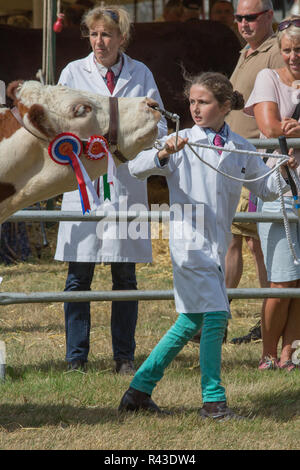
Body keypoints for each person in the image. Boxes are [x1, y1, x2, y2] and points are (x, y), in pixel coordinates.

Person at [118, 72, 297, 419]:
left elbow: (267, 190)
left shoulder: (241, 147)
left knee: (189, 322)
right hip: (189, 245)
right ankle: (213, 402)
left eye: (204, 102)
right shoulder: (181, 140)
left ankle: (138, 391)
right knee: (216, 315)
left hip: (216, 245)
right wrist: (163, 154)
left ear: (225, 106)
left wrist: (286, 171)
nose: (195, 108)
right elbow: (136, 168)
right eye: (192, 102)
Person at [54, 5, 167, 374]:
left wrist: (134, 141)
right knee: (79, 275)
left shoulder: (141, 73)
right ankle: (76, 358)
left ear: (122, 38)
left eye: (106, 35)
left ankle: (123, 357)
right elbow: (58, 124)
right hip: (84, 181)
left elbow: (158, 124)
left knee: (125, 276)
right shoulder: (73, 71)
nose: (99, 42)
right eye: (93, 34)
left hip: (126, 182)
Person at [225, 0, 285, 344]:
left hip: (258, 160)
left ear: (268, 17)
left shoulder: (276, 51)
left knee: (255, 242)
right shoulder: (249, 51)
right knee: (245, 240)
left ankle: (267, 320)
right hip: (241, 158)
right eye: (239, 17)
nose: (243, 23)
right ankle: (254, 317)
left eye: (250, 17)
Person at [244, 15, 300, 370]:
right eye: (288, 50)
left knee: (299, 284)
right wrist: (289, 131)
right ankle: (267, 353)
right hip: (278, 189)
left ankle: (288, 354)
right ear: (279, 51)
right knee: (280, 281)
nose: (294, 56)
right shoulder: (268, 78)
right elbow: (270, 127)